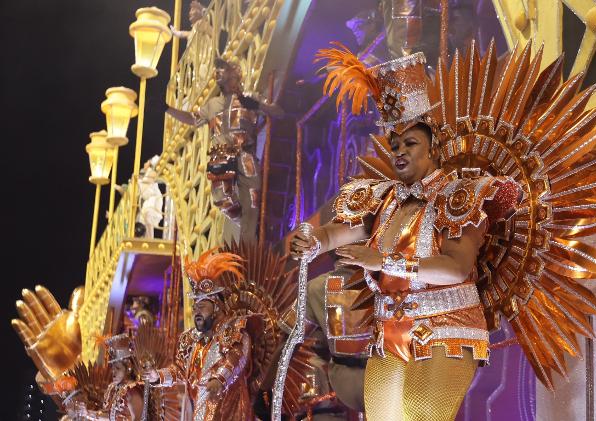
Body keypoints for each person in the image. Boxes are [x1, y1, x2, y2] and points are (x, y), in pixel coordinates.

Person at [290, 45, 520, 420]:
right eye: (394, 144)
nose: (399, 152)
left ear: (434, 148)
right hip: (389, 333)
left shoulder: (459, 194)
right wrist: (313, 240)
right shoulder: (382, 199)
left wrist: (384, 261)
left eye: (410, 143)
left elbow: (456, 268)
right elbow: (339, 232)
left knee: (419, 413)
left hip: (445, 329)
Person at [165, 58, 282, 245]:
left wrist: (257, 106)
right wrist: (168, 109)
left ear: (234, 72)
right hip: (221, 155)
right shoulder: (212, 105)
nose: (217, 72)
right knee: (222, 200)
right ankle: (250, 225)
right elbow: (193, 119)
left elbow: (278, 112)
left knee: (251, 203)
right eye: (216, 70)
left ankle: (249, 253)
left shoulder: (250, 97)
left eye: (222, 69)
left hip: (246, 155)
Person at [142, 250, 254, 420]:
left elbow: (237, 355)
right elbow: (179, 369)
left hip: (227, 411)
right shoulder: (191, 339)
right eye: (195, 308)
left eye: (202, 306)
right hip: (198, 411)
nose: (196, 312)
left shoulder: (232, 328)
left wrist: (219, 379)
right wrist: (158, 376)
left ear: (216, 307)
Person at [77, 334, 145, 420]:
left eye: (118, 368)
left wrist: (89, 414)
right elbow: (108, 416)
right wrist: (88, 413)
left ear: (128, 367)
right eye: (112, 368)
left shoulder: (133, 391)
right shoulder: (112, 389)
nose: (113, 372)